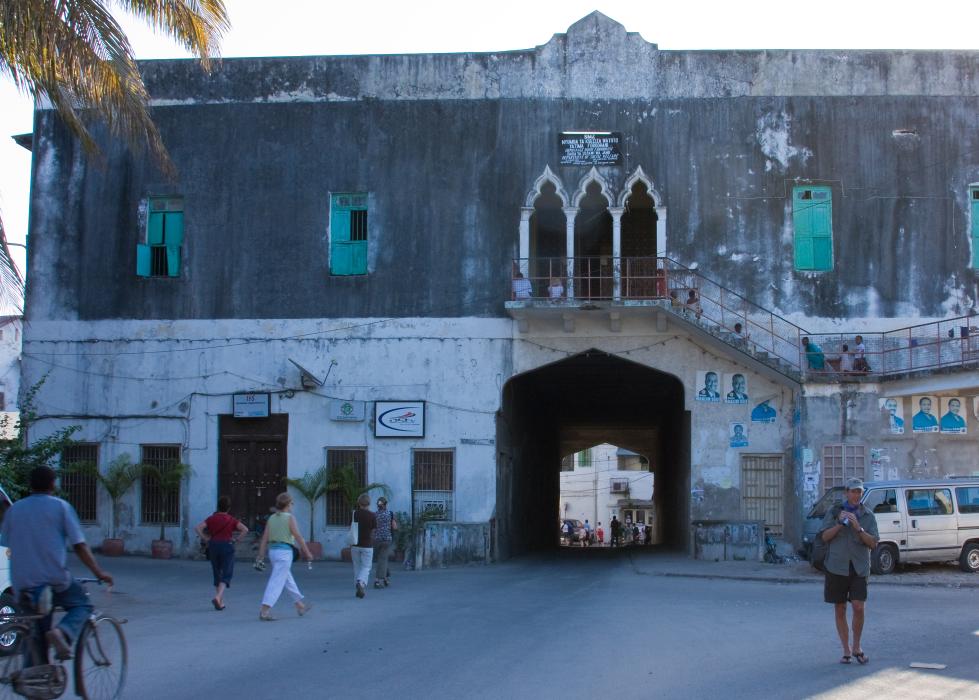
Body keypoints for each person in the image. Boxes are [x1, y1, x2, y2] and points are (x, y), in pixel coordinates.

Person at [0, 466, 114, 660]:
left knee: (35, 633)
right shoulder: (60, 507)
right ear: (53, 484)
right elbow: (79, 546)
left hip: (22, 584)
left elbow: (7, 541)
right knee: (83, 605)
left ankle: (34, 681)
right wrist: (99, 572)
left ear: (30, 485)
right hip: (53, 580)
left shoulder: (14, 510)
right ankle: (64, 632)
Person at [818, 478, 879, 665]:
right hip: (837, 566)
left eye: (859, 492)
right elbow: (824, 537)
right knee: (840, 607)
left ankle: (857, 647)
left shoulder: (867, 515)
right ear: (846, 493)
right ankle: (846, 650)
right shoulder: (834, 512)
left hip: (859, 566)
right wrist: (839, 523)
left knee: (859, 607)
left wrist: (857, 527)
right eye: (853, 491)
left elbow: (873, 543)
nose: (856, 495)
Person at [256, 492, 313, 621]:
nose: (292, 505)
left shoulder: (272, 518)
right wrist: (307, 552)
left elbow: (264, 538)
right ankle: (264, 610)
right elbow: (298, 536)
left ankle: (300, 605)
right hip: (284, 553)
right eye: (292, 503)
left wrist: (260, 554)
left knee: (287, 579)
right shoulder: (289, 518)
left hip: (273, 552)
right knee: (277, 581)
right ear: (288, 504)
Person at [195, 495, 249, 611]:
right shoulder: (231, 519)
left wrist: (205, 538)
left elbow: (198, 528)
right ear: (228, 508)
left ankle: (220, 601)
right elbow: (245, 529)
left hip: (213, 546)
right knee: (226, 573)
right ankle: (218, 596)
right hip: (227, 546)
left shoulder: (211, 519)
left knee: (217, 571)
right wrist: (236, 540)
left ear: (218, 507)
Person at [352, 493, 377, 598]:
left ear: (359, 503)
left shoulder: (355, 514)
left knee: (357, 566)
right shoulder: (372, 515)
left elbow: (352, 526)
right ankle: (361, 583)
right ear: (369, 503)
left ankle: (358, 586)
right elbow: (374, 530)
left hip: (355, 544)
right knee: (366, 567)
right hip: (367, 544)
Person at [372, 496, 397, 588]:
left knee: (381, 558)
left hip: (377, 539)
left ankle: (386, 578)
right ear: (385, 504)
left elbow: (373, 528)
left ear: (378, 506)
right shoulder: (390, 514)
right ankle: (377, 580)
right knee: (382, 559)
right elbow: (395, 527)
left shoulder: (375, 515)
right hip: (386, 539)